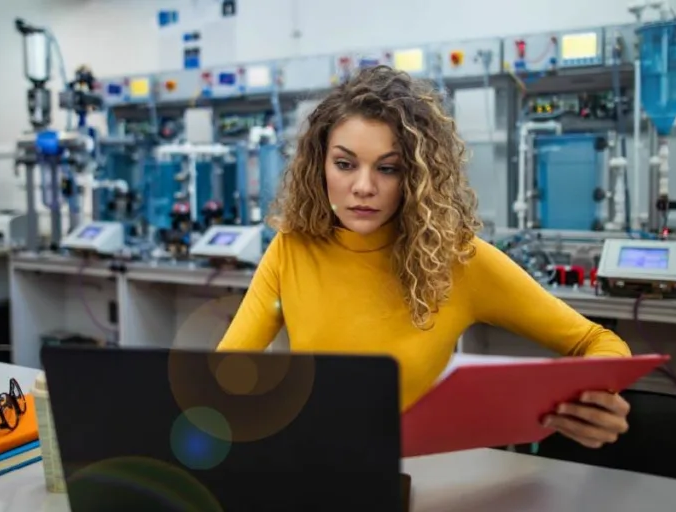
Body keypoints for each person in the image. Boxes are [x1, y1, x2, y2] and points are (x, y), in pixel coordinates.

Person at [217, 66, 632, 449]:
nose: (363, 187)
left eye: (389, 169)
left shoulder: (456, 259)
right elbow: (225, 371)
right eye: (345, 164)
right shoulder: (292, 247)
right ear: (319, 165)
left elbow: (596, 341)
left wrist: (597, 397)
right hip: (320, 469)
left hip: (419, 475)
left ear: (414, 176)